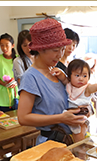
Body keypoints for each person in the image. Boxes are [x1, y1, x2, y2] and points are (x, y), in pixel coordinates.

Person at [17, 18, 86, 146]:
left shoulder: (56, 72)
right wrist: (61, 117)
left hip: (69, 140)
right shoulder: (31, 77)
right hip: (51, 143)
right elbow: (23, 118)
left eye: (62, 49)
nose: (60, 55)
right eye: (55, 50)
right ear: (40, 49)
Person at [52, 59, 97, 142]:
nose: (81, 79)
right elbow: (64, 78)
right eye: (77, 75)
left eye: (84, 76)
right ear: (70, 76)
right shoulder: (69, 85)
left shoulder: (87, 88)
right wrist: (60, 73)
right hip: (67, 116)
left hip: (80, 118)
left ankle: (79, 150)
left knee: (78, 137)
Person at [0, 33, 19, 112]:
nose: (4, 48)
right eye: (2, 45)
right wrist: (4, 84)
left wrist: (16, 82)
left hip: (18, 95)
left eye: (7, 45)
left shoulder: (18, 59)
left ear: (13, 45)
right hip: (3, 96)